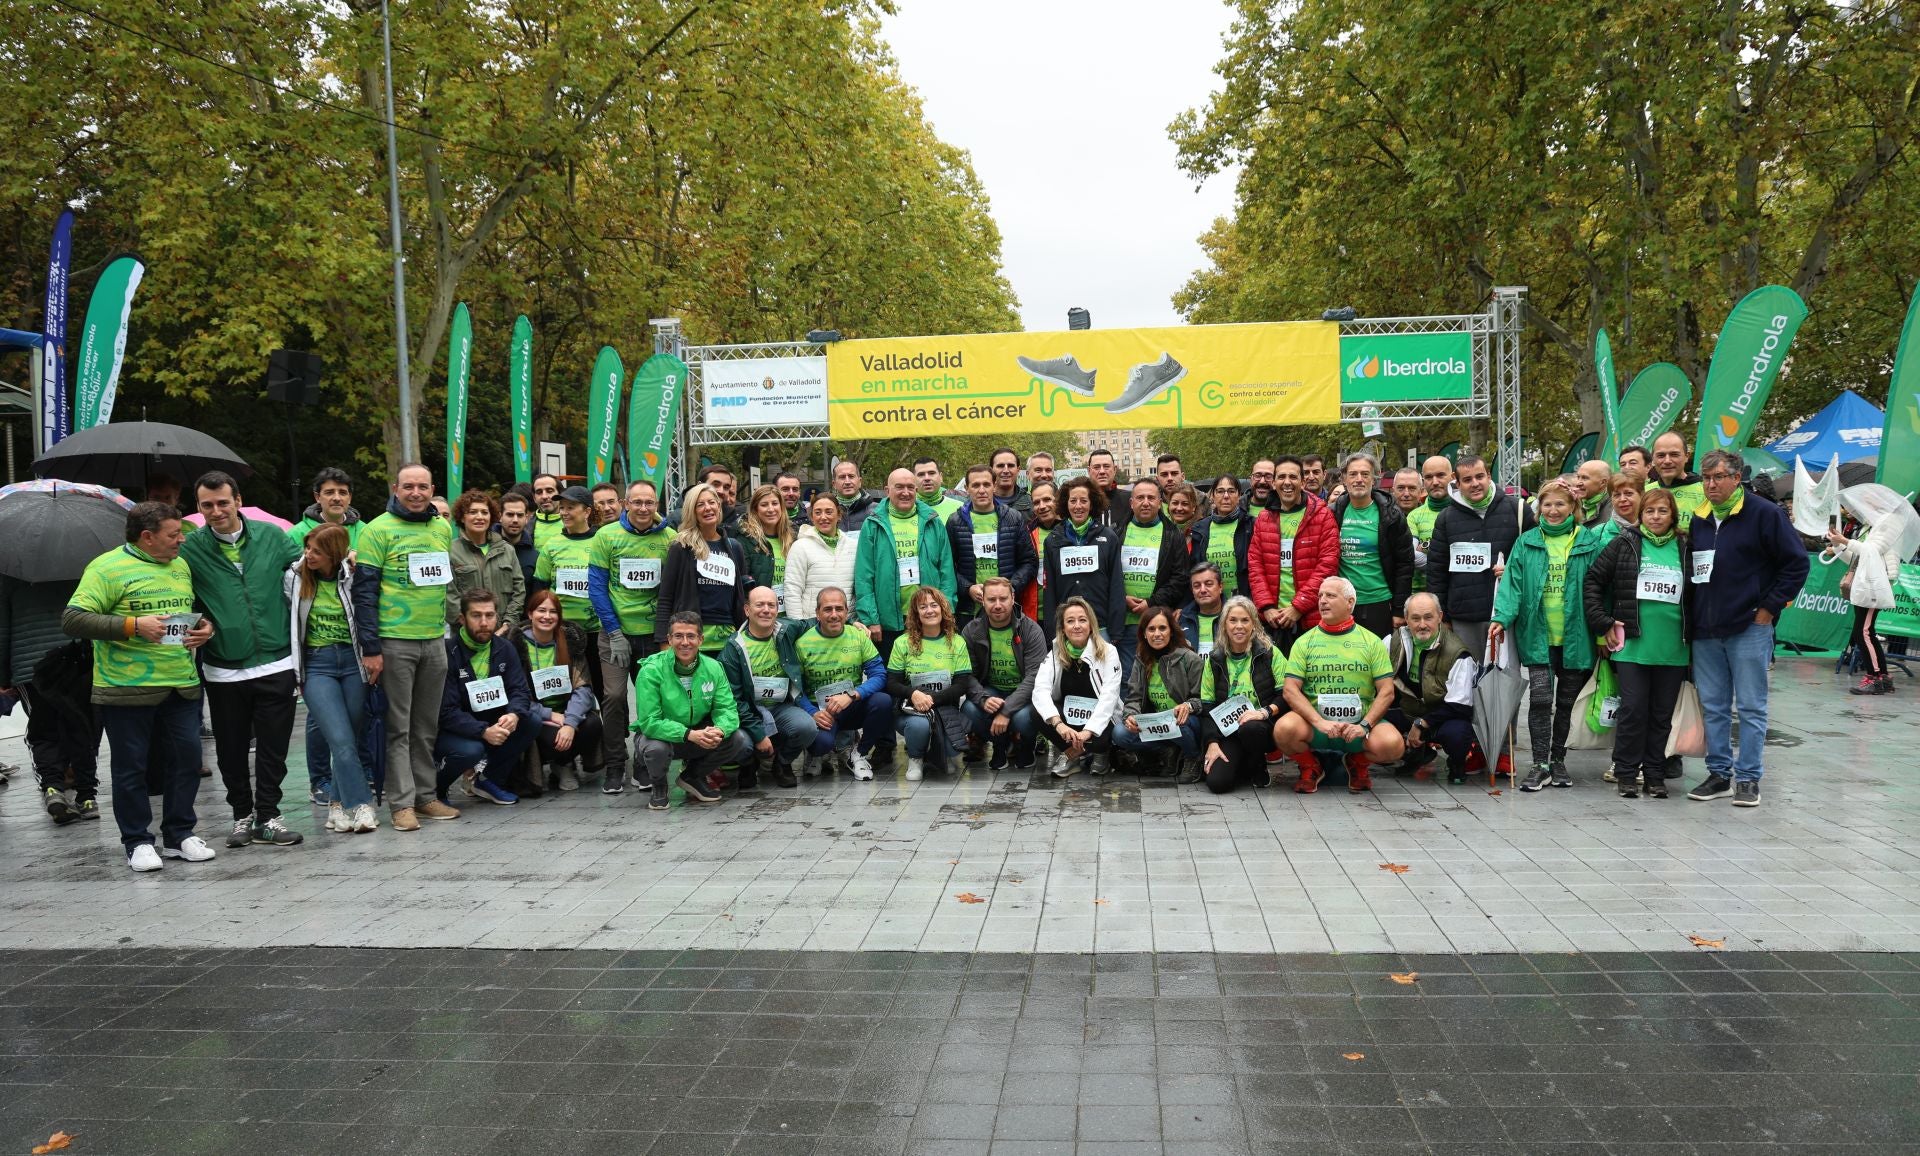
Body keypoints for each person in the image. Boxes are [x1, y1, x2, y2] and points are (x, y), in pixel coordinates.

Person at [63, 501, 218, 871]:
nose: (181, 540)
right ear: (147, 537)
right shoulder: (106, 567)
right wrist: (133, 625)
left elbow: (189, 608)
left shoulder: (180, 565)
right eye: (173, 534)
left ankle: (180, 835)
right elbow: (73, 619)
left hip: (181, 684)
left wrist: (205, 628)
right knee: (131, 768)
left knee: (188, 760)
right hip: (126, 689)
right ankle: (137, 841)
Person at [180, 471, 304, 850]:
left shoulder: (271, 536)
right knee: (230, 749)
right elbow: (179, 596)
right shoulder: (191, 549)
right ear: (199, 508)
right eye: (207, 505)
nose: (216, 511)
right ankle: (241, 817)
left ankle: (268, 814)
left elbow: (307, 570)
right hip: (223, 667)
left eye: (222, 502)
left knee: (273, 747)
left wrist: (340, 556)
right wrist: (198, 621)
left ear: (237, 500)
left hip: (276, 661)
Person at [1684, 449, 1809, 807]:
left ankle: (1749, 778)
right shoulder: (1701, 517)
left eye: (1718, 477)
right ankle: (1720, 773)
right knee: (1714, 705)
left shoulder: (1764, 513)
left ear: (1736, 479)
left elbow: (1796, 565)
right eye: (1706, 478)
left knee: (1752, 707)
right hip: (1708, 627)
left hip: (1749, 627)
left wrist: (1769, 608)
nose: (1710, 485)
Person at [352, 462, 457, 830]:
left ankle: (426, 797)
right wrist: (371, 647)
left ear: (432, 490)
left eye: (423, 486)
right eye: (408, 486)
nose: (416, 493)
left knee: (425, 725)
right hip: (394, 641)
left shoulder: (442, 527)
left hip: (434, 638)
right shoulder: (376, 531)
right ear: (395, 488)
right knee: (397, 726)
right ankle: (401, 804)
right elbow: (364, 593)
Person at [1490, 480, 1601, 791]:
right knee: (1540, 700)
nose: (1553, 510)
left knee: (1565, 703)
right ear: (1539, 510)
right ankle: (1539, 764)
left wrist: (1604, 629)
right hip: (1538, 635)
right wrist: (1501, 617)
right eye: (1547, 505)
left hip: (1576, 637)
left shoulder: (1589, 542)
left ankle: (1558, 760)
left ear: (1573, 508)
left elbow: (1599, 589)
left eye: (1560, 505)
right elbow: (1512, 583)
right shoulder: (1526, 542)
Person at [1585, 488, 1689, 798]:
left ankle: (1655, 773)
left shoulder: (1685, 546)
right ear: (1640, 515)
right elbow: (1593, 581)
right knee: (1632, 710)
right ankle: (1626, 772)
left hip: (1675, 647)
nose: (1656, 517)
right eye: (1649, 512)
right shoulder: (1625, 543)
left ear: (1673, 516)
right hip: (1632, 644)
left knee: (1661, 714)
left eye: (1662, 511)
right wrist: (1603, 623)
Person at [288, 524, 380, 834]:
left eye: (316, 550)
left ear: (334, 554)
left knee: (349, 741)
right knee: (340, 740)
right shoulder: (295, 577)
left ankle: (337, 807)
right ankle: (362, 806)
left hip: (353, 663)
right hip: (317, 665)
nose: (309, 554)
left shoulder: (352, 576)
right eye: (308, 548)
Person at [1274, 577, 1404, 793]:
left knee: (1393, 745)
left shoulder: (1371, 641)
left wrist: (1365, 725)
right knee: (1283, 730)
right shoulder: (1305, 642)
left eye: (1331, 596)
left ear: (1350, 602)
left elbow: (1387, 692)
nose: (1322, 601)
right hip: (1316, 727)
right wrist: (1318, 722)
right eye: (1320, 596)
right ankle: (1311, 766)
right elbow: (1290, 690)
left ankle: (1357, 763)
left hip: (1358, 727)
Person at [585, 479, 672, 790]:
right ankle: (614, 764)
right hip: (615, 633)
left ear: (657, 505)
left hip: (653, 635)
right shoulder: (606, 536)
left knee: (651, 702)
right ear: (625, 504)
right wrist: (613, 630)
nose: (643, 508)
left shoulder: (669, 538)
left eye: (649, 503)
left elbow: (672, 589)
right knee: (614, 697)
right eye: (637, 502)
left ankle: (643, 763)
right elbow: (596, 587)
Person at [633, 612, 753, 809]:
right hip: (660, 736)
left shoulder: (714, 668)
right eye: (678, 636)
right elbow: (649, 722)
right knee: (656, 749)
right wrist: (688, 734)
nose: (685, 642)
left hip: (697, 733)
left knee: (738, 739)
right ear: (669, 639)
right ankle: (659, 786)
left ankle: (692, 776)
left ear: (701, 639)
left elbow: (728, 710)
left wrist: (719, 730)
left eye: (691, 636)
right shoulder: (651, 670)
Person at [1425, 454, 1533, 661]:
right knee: (1468, 682)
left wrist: (1513, 569)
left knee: (1505, 683)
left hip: (1508, 614)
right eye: (1467, 480)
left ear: (1489, 476)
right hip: (1464, 617)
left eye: (1479, 477)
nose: (1475, 484)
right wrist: (1442, 616)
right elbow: (1437, 571)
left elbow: (1537, 558)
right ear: (1457, 481)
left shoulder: (1517, 509)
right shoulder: (1446, 518)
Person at [434, 588, 529, 808]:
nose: (484, 622)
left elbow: (520, 691)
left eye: (490, 615)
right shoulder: (447, 653)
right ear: (462, 619)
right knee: (471, 750)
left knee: (529, 719)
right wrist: (483, 731)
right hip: (456, 730)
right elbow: (446, 711)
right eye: (476, 615)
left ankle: (485, 780)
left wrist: (513, 714)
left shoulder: (505, 648)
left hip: (494, 722)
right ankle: (436, 789)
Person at [854, 467, 957, 662]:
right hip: (888, 622)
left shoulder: (932, 522)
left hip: (928, 616)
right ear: (887, 491)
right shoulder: (873, 524)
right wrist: (870, 619)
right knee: (893, 681)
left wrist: (947, 611)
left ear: (916, 490)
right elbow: (864, 575)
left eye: (911, 487)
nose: (905, 492)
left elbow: (947, 572)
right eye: (899, 487)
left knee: (928, 675)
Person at [794, 586, 894, 779]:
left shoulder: (857, 636)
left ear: (846, 612)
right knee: (822, 743)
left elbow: (879, 675)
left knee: (883, 701)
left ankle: (859, 753)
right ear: (817, 613)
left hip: (851, 705)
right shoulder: (803, 643)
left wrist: (852, 695)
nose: (834, 615)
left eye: (839, 609)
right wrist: (812, 712)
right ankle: (818, 754)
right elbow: (795, 688)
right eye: (827, 609)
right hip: (822, 712)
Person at [511, 589, 602, 798]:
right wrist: (550, 715)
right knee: (546, 733)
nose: (547, 616)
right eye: (541, 610)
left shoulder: (570, 644)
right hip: (536, 715)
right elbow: (517, 694)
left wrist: (570, 722)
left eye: (553, 612)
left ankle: (564, 764)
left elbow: (583, 688)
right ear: (530, 613)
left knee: (592, 724)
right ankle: (554, 763)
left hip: (568, 712)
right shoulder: (515, 647)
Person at [720, 585, 812, 789]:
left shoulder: (786, 630)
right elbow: (734, 700)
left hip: (780, 706)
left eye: (771, 605)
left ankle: (782, 763)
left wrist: (854, 622)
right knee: (741, 741)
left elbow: (815, 622)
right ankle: (748, 763)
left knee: (807, 728)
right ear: (747, 610)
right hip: (748, 710)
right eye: (759, 604)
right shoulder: (733, 647)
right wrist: (759, 735)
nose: (766, 610)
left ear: (777, 610)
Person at [1193, 596, 1286, 794]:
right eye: (1233, 620)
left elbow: (1286, 695)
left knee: (1250, 728)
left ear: (1254, 624)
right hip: (1228, 731)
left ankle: (1257, 765)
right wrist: (1212, 743)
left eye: (1245, 620)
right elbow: (1207, 707)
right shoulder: (1215, 660)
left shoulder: (1270, 653)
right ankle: (1242, 763)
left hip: (1263, 726)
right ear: (1224, 625)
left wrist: (1264, 712)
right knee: (1218, 784)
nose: (1239, 626)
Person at [1248, 455, 1339, 653]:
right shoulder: (1264, 518)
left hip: (1311, 616)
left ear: (1303, 482)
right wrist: (1266, 607)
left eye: (1293, 477)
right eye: (1281, 477)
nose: (1287, 483)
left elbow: (1327, 565)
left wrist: (1298, 607)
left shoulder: (1322, 516)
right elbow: (1255, 566)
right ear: (1273, 482)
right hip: (1273, 619)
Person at [1385, 592, 1477, 785]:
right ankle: (1419, 753)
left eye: (1428, 617)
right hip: (1409, 711)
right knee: (1372, 721)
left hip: (1444, 718)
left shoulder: (1458, 653)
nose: (1422, 624)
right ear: (1406, 620)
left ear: (1440, 617)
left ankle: (1457, 762)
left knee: (1458, 734)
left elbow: (1460, 705)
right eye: (1415, 618)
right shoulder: (1393, 641)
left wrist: (1421, 724)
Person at [886, 587, 976, 780]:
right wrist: (913, 694)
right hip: (911, 710)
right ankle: (916, 758)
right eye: (923, 606)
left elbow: (962, 684)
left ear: (943, 609)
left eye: (934, 605)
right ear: (916, 613)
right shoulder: (902, 642)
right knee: (920, 726)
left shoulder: (957, 642)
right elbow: (891, 683)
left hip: (945, 710)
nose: (929, 611)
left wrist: (930, 699)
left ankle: (942, 752)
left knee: (952, 757)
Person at [656, 482, 754, 655]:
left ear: (719, 505)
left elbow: (741, 597)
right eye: (700, 504)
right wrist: (664, 642)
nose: (707, 508)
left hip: (729, 638)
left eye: (711, 502)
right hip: (691, 637)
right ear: (691, 511)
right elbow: (665, 598)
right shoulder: (681, 547)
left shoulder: (734, 547)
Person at [960, 577, 1046, 770]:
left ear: (1013, 598)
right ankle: (1000, 744)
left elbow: (1035, 677)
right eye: (991, 600)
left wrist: (1006, 712)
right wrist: (983, 698)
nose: (997, 605)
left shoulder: (1031, 630)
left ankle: (1026, 745)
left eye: (1003, 599)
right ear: (983, 600)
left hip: (1026, 694)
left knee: (1023, 718)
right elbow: (966, 674)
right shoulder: (971, 631)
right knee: (969, 709)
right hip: (992, 690)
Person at [1112, 477, 1190, 682]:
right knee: (1128, 679)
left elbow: (1180, 578)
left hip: (1159, 622)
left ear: (1159, 502)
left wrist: (1151, 603)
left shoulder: (1173, 535)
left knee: (1159, 679)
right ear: (1131, 503)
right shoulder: (1116, 533)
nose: (1145, 502)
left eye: (1150, 498)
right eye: (1140, 498)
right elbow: (1108, 577)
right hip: (1126, 623)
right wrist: (1122, 598)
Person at [1114, 605, 1204, 780]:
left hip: (1188, 721)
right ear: (1144, 634)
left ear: (1171, 630)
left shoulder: (1190, 658)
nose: (1157, 634)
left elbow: (1205, 699)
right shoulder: (1141, 659)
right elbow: (1134, 697)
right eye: (1151, 629)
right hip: (1156, 722)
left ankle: (1193, 756)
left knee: (1180, 721)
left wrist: (1188, 706)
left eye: (1162, 628)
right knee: (1120, 733)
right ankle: (1168, 750)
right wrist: (1130, 716)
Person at [1034, 596, 1122, 777]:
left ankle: (1100, 753)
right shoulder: (1056, 651)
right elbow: (1040, 689)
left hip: (1100, 720)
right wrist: (1058, 724)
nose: (1077, 626)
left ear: (1091, 625)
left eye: (1082, 620)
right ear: (1063, 628)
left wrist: (1089, 731)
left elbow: (1109, 697)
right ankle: (1072, 756)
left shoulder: (1108, 651)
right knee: (1035, 712)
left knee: (1105, 733)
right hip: (1069, 719)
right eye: (1070, 621)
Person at [1328, 453, 1414, 636]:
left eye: (1365, 474)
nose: (1359, 479)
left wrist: (1399, 609)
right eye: (1353, 474)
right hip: (1342, 602)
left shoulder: (1391, 516)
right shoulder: (1332, 513)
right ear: (1344, 479)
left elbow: (1405, 564)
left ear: (1375, 479)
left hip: (1379, 602)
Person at [1827, 513, 1906, 696]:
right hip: (1864, 583)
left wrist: (1845, 541)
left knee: (1862, 632)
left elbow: (1871, 552)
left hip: (1874, 584)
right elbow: (1856, 558)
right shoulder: (1870, 525)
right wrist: (1838, 543)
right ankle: (1882, 677)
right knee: (1865, 632)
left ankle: (1875, 677)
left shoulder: (1889, 522)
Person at [1042, 477, 1127, 643]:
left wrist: (1116, 631)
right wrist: (1052, 633)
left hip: (1101, 628)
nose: (1078, 506)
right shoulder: (1052, 540)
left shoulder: (1108, 538)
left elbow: (1116, 585)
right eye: (1073, 501)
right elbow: (1049, 590)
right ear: (1066, 504)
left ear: (1092, 503)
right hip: (1066, 629)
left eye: (1083, 500)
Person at [948, 464, 1038, 621]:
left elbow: (1029, 561)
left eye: (986, 484)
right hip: (969, 611)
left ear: (994, 486)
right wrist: (967, 588)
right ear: (966, 488)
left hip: (1005, 607)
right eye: (975, 485)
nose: (981, 490)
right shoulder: (955, 521)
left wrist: (1010, 587)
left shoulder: (1013, 518)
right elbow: (947, 566)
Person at [448, 490, 525, 631]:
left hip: (503, 633)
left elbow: (519, 592)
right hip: (465, 634)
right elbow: (449, 596)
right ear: (462, 518)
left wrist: (507, 624)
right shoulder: (450, 552)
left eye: (484, 512)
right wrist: (469, 626)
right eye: (472, 512)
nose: (479, 517)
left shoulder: (507, 550)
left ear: (491, 517)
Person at [787, 491, 861, 622]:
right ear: (811, 516)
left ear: (839, 515)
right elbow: (792, 589)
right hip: (812, 626)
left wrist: (854, 622)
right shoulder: (800, 547)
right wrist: (799, 626)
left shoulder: (853, 546)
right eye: (818, 512)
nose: (823, 517)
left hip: (846, 624)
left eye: (829, 511)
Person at [1188, 474, 1254, 599]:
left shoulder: (1250, 525)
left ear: (1239, 495)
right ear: (1212, 496)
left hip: (1243, 602)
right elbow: (1194, 569)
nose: (1226, 496)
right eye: (1220, 491)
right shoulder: (1200, 528)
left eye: (1231, 491)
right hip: (1210, 603)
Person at [739, 484, 796, 616]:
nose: (771, 509)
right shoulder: (745, 540)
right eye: (764, 505)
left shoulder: (794, 537)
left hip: (790, 614)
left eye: (775, 503)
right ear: (755, 509)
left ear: (781, 507)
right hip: (760, 615)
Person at [1405, 458, 1452, 594]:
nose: (1435, 482)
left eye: (1440, 475)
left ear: (1453, 477)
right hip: (1421, 594)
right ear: (1423, 481)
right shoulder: (1414, 516)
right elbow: (1411, 557)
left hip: (1455, 592)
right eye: (1429, 477)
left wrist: (1425, 546)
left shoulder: (1465, 511)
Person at [287, 466, 364, 548]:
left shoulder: (365, 532)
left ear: (349, 498)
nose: (337, 498)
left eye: (342, 493)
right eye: (329, 492)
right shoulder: (296, 535)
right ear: (317, 497)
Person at [1647, 432, 1706, 531]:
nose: (1667, 461)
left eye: (1674, 454)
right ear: (1653, 458)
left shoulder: (1705, 492)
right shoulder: (1645, 491)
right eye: (1661, 455)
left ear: (1686, 456)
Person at [1021, 481, 1060, 625]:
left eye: (1047, 500)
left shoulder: (1072, 531)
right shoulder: (1026, 533)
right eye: (1036, 502)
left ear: (1058, 499)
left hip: (1067, 615)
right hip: (1034, 616)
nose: (1042, 506)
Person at [1180, 562, 1228, 655]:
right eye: (1197, 586)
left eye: (1208, 584)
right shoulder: (1181, 618)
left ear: (1220, 587)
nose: (1202, 590)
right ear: (1192, 590)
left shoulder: (1234, 616)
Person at [499, 492, 540, 592]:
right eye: (510, 514)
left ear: (526, 518)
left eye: (520, 515)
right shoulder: (486, 548)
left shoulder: (535, 557)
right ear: (500, 516)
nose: (515, 520)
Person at [1592, 472, 1643, 549]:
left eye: (1628, 493)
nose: (1622, 499)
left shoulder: (1654, 529)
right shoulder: (1597, 533)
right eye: (1617, 495)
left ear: (1642, 495)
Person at [1085, 449, 1129, 529]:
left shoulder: (1130, 500)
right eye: (1096, 467)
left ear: (1115, 469)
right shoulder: (1080, 502)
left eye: (1106, 466)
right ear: (1089, 470)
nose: (1102, 471)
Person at [831, 458, 877, 534]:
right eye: (842, 477)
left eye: (851, 476)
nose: (847, 482)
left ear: (860, 482)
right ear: (834, 484)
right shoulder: (825, 513)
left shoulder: (877, 511)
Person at [990, 447, 1031, 514]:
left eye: (1010, 466)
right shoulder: (973, 504)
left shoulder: (1032, 504)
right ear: (991, 470)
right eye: (1000, 466)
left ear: (1018, 470)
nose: (1006, 471)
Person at [530, 473, 564, 548]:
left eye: (549, 491)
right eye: (539, 492)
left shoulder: (574, 524)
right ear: (534, 498)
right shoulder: (525, 527)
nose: (544, 496)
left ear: (560, 494)